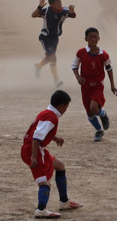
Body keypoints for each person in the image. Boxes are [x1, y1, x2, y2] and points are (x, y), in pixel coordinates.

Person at [21, 90, 83, 219]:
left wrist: (54, 138)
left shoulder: (46, 113)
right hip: (34, 150)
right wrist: (33, 157)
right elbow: (37, 137)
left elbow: (40, 131)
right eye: (66, 107)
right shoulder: (51, 117)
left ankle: (64, 202)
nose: (66, 109)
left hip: (36, 149)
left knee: (59, 165)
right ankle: (41, 210)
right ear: (61, 106)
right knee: (44, 183)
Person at [71, 27, 117, 141]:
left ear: (98, 38)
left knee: (94, 108)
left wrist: (112, 85)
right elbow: (74, 66)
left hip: (98, 85)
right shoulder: (81, 52)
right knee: (89, 112)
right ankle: (99, 131)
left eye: (95, 36)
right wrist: (78, 77)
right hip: (85, 86)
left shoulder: (103, 55)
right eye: (91, 37)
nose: (93, 39)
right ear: (86, 39)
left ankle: (103, 114)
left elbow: (109, 69)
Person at [32, 0, 76, 88]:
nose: (60, 4)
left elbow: (73, 16)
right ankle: (56, 80)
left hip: (55, 38)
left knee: (49, 57)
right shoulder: (47, 11)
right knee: (52, 57)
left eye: (60, 2)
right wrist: (40, 7)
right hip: (45, 37)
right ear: (52, 5)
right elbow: (34, 15)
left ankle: (38, 66)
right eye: (57, 3)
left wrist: (72, 12)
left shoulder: (64, 11)